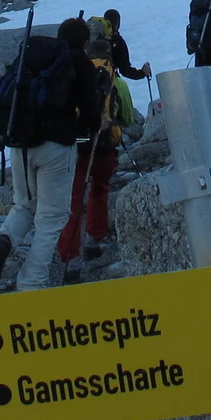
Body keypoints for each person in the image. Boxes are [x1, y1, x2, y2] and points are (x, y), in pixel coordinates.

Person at [0, 16, 100, 291]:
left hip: (18, 142)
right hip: (56, 147)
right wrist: (91, 128)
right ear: (85, 40)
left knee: (24, 204)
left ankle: (2, 241)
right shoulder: (79, 62)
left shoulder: (34, 58)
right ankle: (31, 283)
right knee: (52, 215)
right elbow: (90, 111)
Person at [57, 13, 151, 266]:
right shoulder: (114, 79)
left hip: (70, 142)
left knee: (73, 197)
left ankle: (69, 254)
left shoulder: (68, 68)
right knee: (99, 188)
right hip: (103, 140)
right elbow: (127, 116)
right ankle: (94, 239)